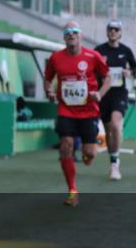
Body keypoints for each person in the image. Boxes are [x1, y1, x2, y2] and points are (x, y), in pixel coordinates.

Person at [44, 21, 112, 207]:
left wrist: (100, 93)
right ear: (64, 37)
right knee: (66, 145)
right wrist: (49, 92)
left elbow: (108, 77)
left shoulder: (93, 56)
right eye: (67, 32)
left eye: (74, 31)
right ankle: (73, 190)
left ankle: (87, 155)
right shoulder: (56, 58)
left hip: (89, 111)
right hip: (66, 109)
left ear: (80, 35)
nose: (71, 34)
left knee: (89, 154)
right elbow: (48, 79)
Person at [93, 20, 136, 181]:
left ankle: (115, 165)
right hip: (103, 94)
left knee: (115, 124)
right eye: (110, 29)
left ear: (120, 33)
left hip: (119, 92)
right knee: (108, 131)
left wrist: (129, 71)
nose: (113, 32)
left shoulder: (126, 51)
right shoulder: (99, 50)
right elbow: (91, 69)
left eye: (116, 29)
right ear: (107, 32)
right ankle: (113, 159)